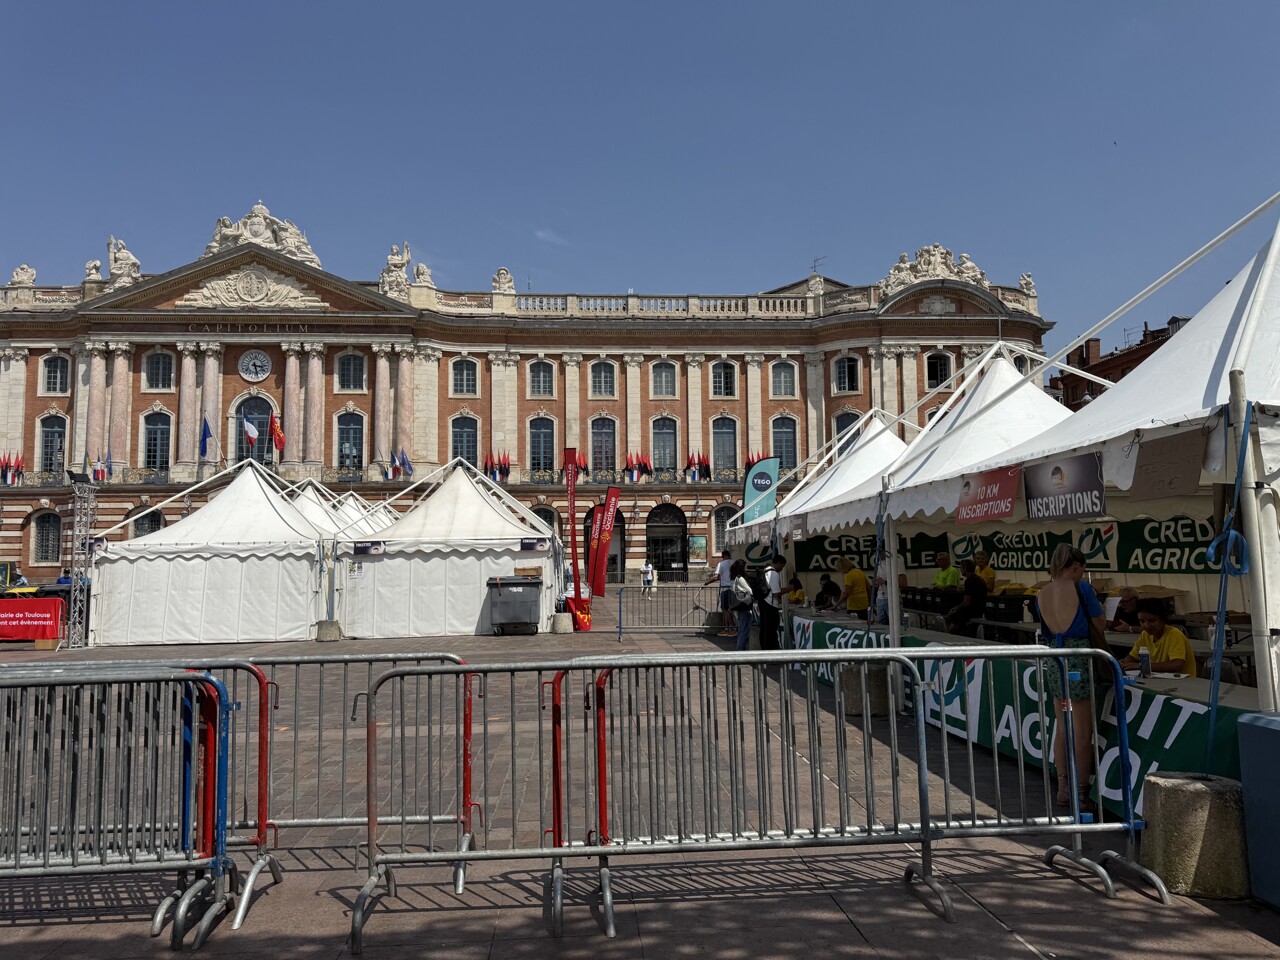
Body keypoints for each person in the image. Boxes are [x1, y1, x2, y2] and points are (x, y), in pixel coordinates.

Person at [1032, 544, 1104, 813]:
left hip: (1055, 657)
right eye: (1082, 569)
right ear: (1075, 567)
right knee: (1082, 732)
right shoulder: (1081, 588)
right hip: (1078, 657)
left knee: (1062, 725)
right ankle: (1080, 792)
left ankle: (1063, 787)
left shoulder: (1042, 592)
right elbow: (1099, 624)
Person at [1122, 600, 1197, 677]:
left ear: (1163, 619)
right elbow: (1132, 657)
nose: (1146, 625)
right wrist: (1124, 663)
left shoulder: (1174, 634)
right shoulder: (1145, 635)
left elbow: (1177, 665)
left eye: (1151, 621)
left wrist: (1141, 666)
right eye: (1142, 621)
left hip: (1184, 683)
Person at [946, 559, 988, 636]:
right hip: (980, 610)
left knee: (950, 622)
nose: (960, 570)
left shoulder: (969, 581)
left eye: (961, 568)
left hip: (972, 611)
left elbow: (966, 602)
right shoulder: (980, 579)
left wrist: (955, 609)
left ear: (965, 569)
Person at [758, 555, 786, 651]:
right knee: (771, 630)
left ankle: (764, 649)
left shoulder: (765, 571)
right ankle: (771, 651)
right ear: (778, 563)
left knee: (764, 628)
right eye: (781, 566)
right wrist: (787, 590)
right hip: (770, 604)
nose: (781, 569)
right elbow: (776, 593)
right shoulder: (773, 574)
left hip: (762, 601)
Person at [705, 550, 735, 637]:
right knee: (731, 609)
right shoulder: (734, 562)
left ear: (723, 556)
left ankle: (731, 628)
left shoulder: (721, 564)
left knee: (725, 609)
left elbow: (716, 577)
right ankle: (729, 628)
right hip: (733, 588)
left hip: (725, 588)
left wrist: (707, 582)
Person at [728, 559, 755, 651]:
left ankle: (740, 650)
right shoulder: (741, 579)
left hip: (740, 607)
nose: (747, 569)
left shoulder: (736, 578)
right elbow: (750, 591)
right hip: (744, 606)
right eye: (745, 567)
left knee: (742, 629)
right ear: (742, 568)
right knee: (744, 630)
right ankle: (740, 651)